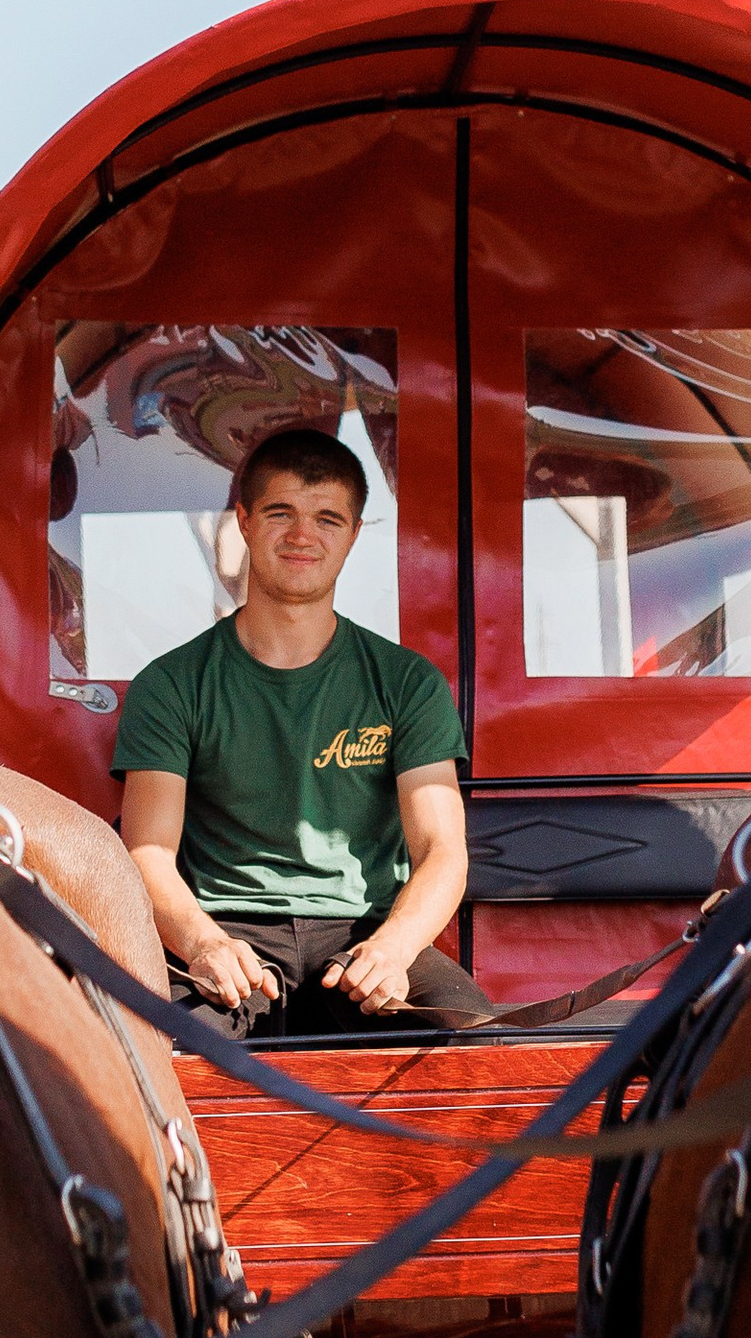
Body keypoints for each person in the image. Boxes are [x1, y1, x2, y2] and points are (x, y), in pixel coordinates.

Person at [115, 426, 489, 1037]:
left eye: (327, 518)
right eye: (280, 512)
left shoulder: (406, 683)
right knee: (148, 1049)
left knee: (465, 1041)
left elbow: (442, 851)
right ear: (243, 519)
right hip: (229, 931)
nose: (301, 536)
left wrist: (392, 951)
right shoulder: (172, 684)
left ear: (354, 533)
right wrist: (203, 944)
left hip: (363, 933)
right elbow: (147, 852)